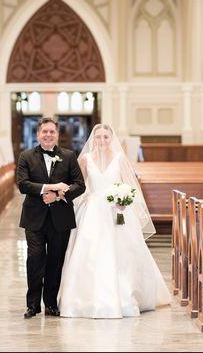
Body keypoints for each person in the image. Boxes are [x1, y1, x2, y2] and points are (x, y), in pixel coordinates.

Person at [58, 124, 171, 318]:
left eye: (106, 137)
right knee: (90, 251)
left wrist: (124, 200)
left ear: (112, 138)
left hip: (117, 210)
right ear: (93, 139)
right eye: (98, 137)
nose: (102, 141)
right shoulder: (85, 159)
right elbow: (78, 185)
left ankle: (126, 296)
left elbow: (129, 186)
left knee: (122, 252)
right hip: (92, 209)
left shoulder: (120, 158)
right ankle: (84, 300)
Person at [17, 117, 85, 319]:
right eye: (44, 131)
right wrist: (48, 188)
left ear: (57, 135)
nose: (48, 135)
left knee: (55, 262)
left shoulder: (69, 155)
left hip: (60, 217)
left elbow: (79, 185)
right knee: (34, 260)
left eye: (51, 132)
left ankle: (51, 304)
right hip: (34, 217)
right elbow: (23, 184)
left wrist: (58, 195)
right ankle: (32, 305)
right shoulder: (26, 156)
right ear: (38, 134)